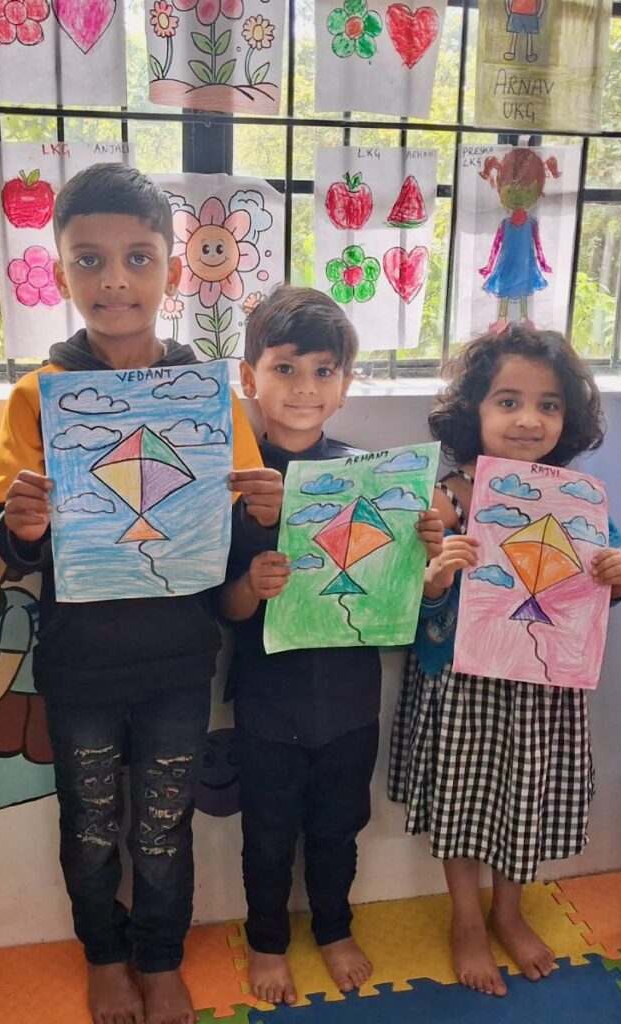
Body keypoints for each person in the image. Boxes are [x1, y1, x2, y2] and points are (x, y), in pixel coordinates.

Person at [0, 162, 278, 1024]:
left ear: (173, 271)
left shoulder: (204, 393)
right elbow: (14, 543)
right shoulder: (38, 395)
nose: (114, 279)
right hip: (79, 662)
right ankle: (104, 956)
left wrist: (263, 510)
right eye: (89, 259)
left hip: (179, 661)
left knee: (161, 828)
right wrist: (24, 526)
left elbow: (234, 534)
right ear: (60, 272)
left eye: (139, 258)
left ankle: (159, 958)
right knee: (88, 826)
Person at [388, 325, 621, 998]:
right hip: (460, 681)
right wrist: (439, 573)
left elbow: (598, 587)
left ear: (567, 417)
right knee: (460, 802)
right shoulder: (446, 496)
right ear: (473, 409)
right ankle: (467, 919)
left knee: (522, 800)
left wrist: (619, 577)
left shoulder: (577, 497)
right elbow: (411, 597)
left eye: (548, 405)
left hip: (541, 687)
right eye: (508, 401)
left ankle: (508, 910)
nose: (529, 419)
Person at [221, 286, 444, 1006]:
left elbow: (404, 600)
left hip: (349, 701)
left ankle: (334, 926)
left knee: (338, 826)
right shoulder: (235, 481)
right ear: (249, 376)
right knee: (267, 833)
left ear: (345, 384)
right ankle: (265, 940)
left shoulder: (371, 477)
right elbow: (222, 609)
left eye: (323, 371)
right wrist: (252, 584)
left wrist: (426, 555)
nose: (304, 387)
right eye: (285, 368)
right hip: (267, 704)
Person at [478, 149, 561, 333]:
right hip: (507, 264)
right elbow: (495, 247)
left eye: (527, 190)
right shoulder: (505, 224)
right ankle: (502, 319)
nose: (518, 196)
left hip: (525, 264)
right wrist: (489, 267)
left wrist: (543, 264)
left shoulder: (531, 224)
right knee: (505, 291)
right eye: (511, 190)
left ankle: (524, 318)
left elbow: (538, 246)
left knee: (523, 290)